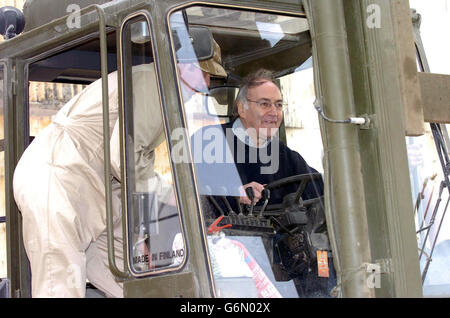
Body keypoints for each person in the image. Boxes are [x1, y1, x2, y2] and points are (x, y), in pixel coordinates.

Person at [12, 40, 227, 298]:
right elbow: (123, 156)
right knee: (59, 285)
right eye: (203, 71)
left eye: (209, 75)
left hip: (96, 189)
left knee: (137, 281)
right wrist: (168, 195)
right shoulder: (154, 84)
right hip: (59, 179)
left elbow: (127, 164)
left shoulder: (163, 90)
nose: (206, 82)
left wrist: (138, 234)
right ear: (182, 64)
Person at [192, 68, 323, 214]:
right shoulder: (207, 141)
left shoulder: (287, 157)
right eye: (265, 104)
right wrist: (236, 195)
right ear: (242, 108)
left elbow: (322, 193)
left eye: (278, 105)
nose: (274, 112)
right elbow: (190, 197)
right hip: (222, 234)